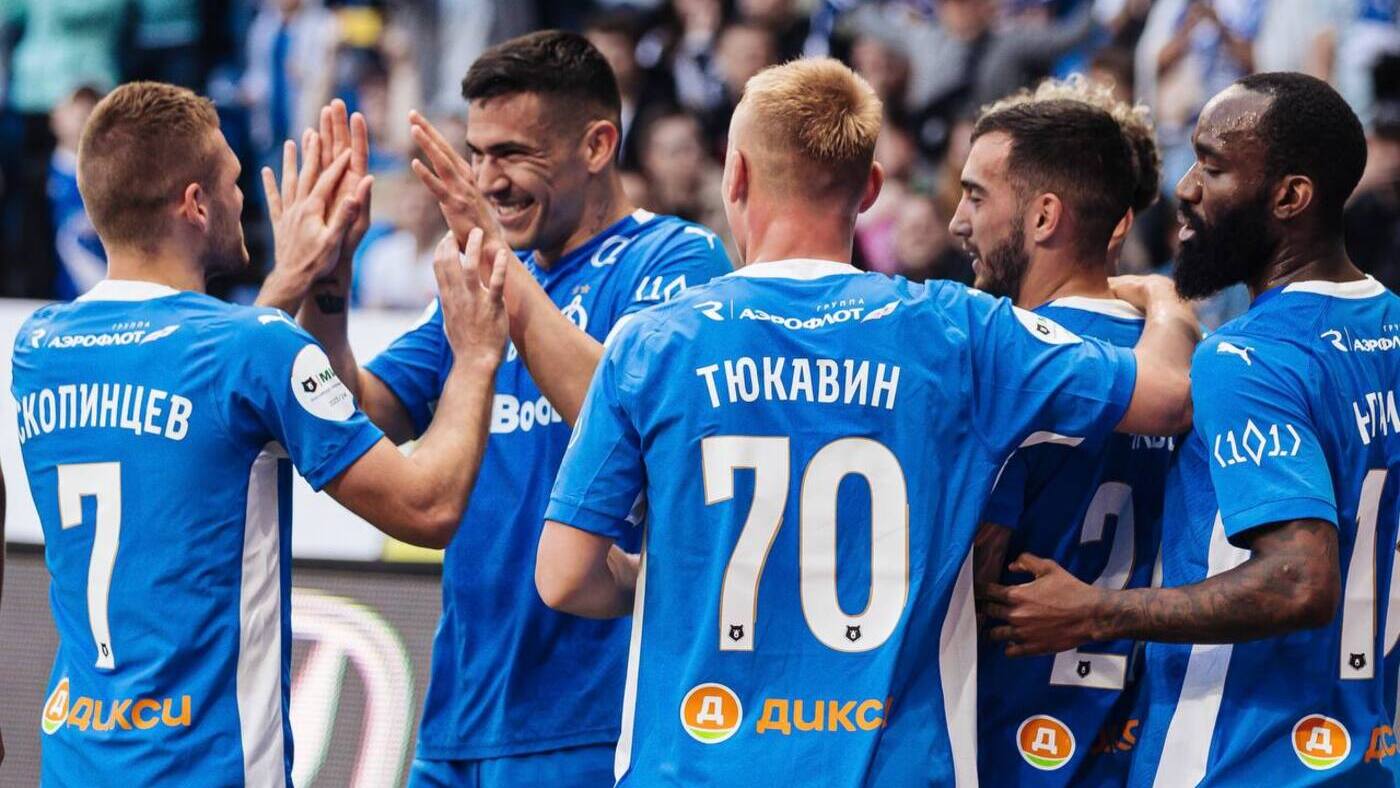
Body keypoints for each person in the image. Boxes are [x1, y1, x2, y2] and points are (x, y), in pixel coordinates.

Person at [534, 57, 1199, 785]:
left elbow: (564, 577)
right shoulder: (958, 330)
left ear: (736, 176)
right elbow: (1169, 395)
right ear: (871, 188)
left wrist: (674, 574)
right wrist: (1165, 302)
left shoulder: (654, 340)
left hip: (693, 764)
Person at [265, 32, 732, 787]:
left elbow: (627, 422)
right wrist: (328, 286)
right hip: (457, 717)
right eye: (476, 154)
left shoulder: (675, 262)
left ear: (597, 145)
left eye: (513, 154)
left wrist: (495, 260)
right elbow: (366, 413)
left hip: (593, 723)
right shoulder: (488, 272)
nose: (487, 182)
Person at [12, 81, 509, 785]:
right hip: (207, 768)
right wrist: (478, 354)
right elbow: (427, 507)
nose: (244, 198)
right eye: (234, 181)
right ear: (195, 204)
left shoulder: (40, 347)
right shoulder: (252, 349)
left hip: (75, 762)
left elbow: (199, 376)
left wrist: (311, 283)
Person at [985, 73, 1400, 786]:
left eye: (1213, 166)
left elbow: (1300, 580)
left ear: (1290, 197)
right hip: (1366, 752)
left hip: (1236, 757)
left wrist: (1095, 612)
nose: (1185, 187)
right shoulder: (1389, 331)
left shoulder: (1250, 359)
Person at [951, 90, 1171, 785]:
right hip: (1147, 744)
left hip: (1008, 743)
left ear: (1044, 216)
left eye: (976, 197)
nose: (958, 221)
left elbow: (968, 580)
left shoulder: (1000, 362)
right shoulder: (1189, 361)